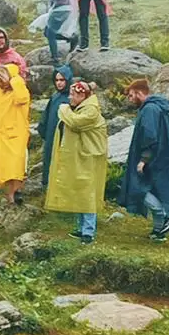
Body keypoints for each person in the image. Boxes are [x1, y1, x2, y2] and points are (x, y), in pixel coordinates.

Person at [118, 78, 169, 241]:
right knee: (155, 189)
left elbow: (150, 135)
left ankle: (168, 214)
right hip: (161, 156)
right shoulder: (156, 107)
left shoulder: (149, 110)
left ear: (139, 93)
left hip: (154, 158)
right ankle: (158, 231)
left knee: (138, 188)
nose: (130, 100)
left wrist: (143, 159)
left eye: (131, 96)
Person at [44, 79, 107, 242]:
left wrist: (63, 109)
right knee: (79, 191)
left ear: (82, 96)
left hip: (89, 157)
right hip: (79, 156)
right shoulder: (78, 108)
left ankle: (88, 232)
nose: (69, 98)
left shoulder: (90, 111)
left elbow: (74, 122)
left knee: (87, 193)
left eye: (73, 95)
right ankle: (81, 228)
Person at [0, 65, 31, 205]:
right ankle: (10, 197)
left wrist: (14, 79)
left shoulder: (18, 92)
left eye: (1, 80)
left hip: (16, 136)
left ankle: (15, 194)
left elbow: (22, 98)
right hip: (0, 136)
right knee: (5, 169)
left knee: (16, 167)